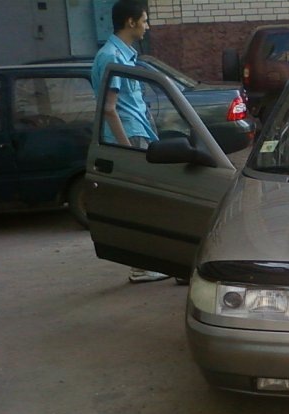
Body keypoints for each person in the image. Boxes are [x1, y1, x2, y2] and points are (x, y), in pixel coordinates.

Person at [91, 0, 168, 283]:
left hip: (137, 131)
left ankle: (146, 262)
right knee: (140, 202)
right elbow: (109, 108)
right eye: (144, 20)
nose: (147, 26)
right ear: (131, 22)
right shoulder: (112, 56)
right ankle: (141, 266)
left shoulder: (122, 54)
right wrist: (126, 149)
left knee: (145, 201)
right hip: (130, 135)